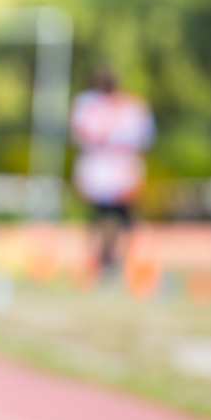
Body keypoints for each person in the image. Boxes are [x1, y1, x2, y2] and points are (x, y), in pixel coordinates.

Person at [69, 68, 155, 273]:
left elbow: (79, 135)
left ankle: (109, 261)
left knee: (111, 218)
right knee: (113, 218)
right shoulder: (132, 105)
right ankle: (106, 260)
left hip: (109, 168)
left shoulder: (90, 105)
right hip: (112, 168)